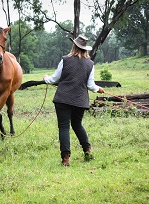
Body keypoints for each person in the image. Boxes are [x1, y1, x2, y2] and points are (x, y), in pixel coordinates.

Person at [43, 34, 105, 166]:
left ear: (74, 46)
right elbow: (90, 85)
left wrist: (45, 78)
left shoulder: (65, 60)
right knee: (77, 125)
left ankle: (66, 159)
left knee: (64, 127)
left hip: (63, 99)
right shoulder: (90, 64)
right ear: (85, 48)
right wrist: (98, 89)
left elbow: (54, 79)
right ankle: (88, 151)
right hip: (80, 100)